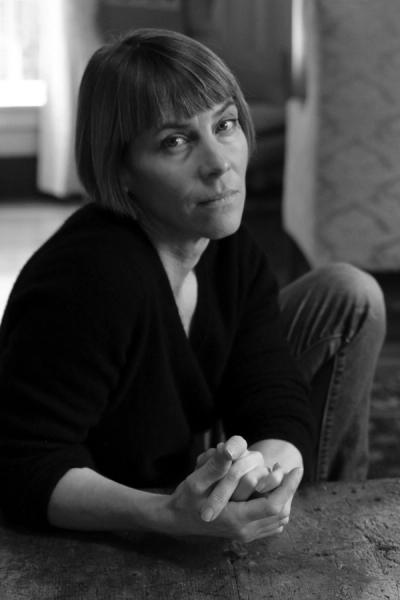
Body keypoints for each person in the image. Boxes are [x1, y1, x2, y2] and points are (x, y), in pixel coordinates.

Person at [0, 28, 385, 543]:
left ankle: (333, 532)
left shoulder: (227, 248)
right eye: (175, 141)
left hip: (190, 471)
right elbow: (21, 463)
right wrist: (166, 515)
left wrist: (262, 474)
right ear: (121, 168)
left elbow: (272, 392)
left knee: (349, 294)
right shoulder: (89, 280)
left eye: (225, 125)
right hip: (112, 518)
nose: (219, 163)